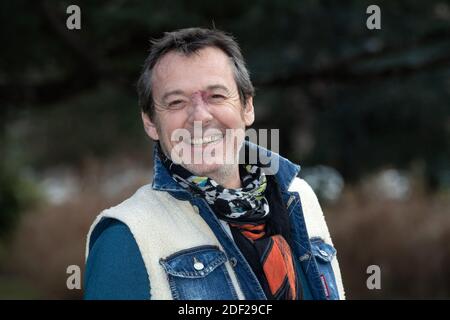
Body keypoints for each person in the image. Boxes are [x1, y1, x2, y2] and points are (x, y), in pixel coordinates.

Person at [84, 27, 345, 300]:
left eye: (216, 96)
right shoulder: (126, 236)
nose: (199, 116)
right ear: (150, 122)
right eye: (176, 102)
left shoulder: (301, 198)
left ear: (247, 107)